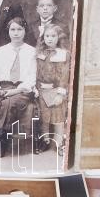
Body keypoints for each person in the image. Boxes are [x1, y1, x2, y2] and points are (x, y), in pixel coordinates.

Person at [0, 17, 38, 156]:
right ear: (8, 31)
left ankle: (2, 143)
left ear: (25, 31)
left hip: (22, 89)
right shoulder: (0, 51)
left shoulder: (32, 52)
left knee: (8, 103)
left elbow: (32, 78)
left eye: (19, 29)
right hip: (4, 86)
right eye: (13, 29)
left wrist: (15, 91)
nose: (16, 33)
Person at [35, 24, 71, 155]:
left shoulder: (63, 54)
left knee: (58, 117)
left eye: (53, 36)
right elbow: (36, 72)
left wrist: (60, 94)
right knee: (44, 117)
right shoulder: (40, 53)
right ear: (43, 37)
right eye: (47, 36)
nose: (50, 39)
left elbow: (64, 75)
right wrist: (36, 88)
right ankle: (45, 141)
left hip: (56, 90)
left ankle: (59, 142)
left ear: (58, 37)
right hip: (41, 90)